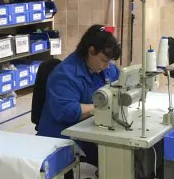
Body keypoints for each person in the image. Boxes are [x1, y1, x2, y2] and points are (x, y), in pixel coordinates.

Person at [37, 25, 121, 166]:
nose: (107, 66)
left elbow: (120, 83)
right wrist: (102, 106)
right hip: (63, 134)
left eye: (109, 61)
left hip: (88, 128)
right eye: (104, 60)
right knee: (116, 158)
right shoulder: (65, 75)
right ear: (91, 51)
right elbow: (68, 111)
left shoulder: (103, 69)